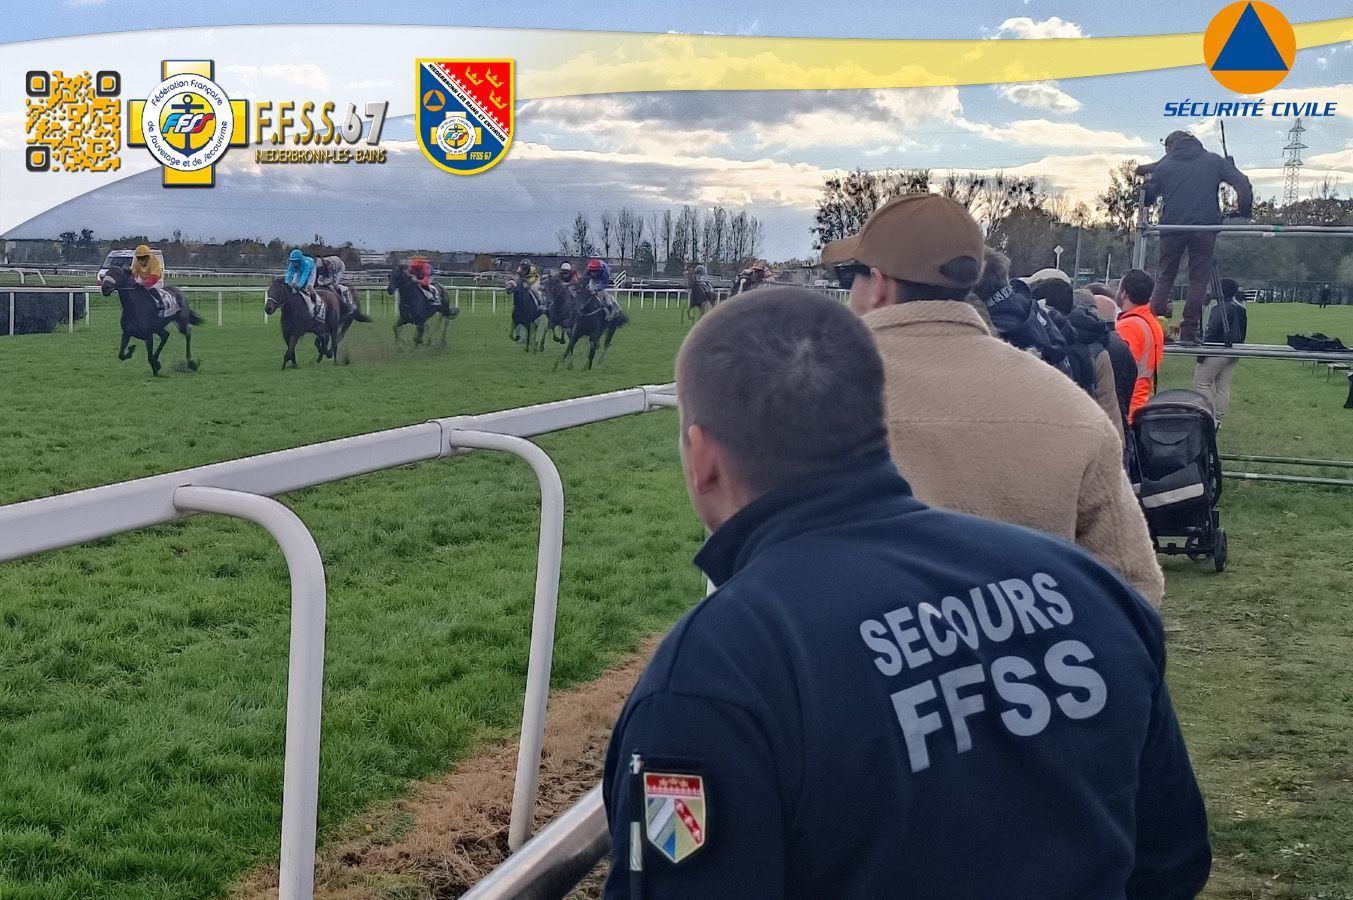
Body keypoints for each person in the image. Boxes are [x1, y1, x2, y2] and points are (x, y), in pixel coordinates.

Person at [602, 287, 1211, 899]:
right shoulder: (1086, 586)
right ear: (874, 422)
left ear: (703, 457)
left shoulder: (717, 670)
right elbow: (1171, 860)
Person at [822, 193, 1163, 606]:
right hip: (1035, 642)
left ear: (877, 285)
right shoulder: (1070, 407)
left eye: (850, 279)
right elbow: (1133, 584)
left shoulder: (806, 398)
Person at [1138, 131, 1253, 344]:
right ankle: (1189, 332)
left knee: (1165, 277)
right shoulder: (1214, 161)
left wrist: (1147, 185)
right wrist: (1244, 211)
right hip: (1204, 227)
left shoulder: (1165, 165)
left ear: (1170, 147)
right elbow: (1242, 183)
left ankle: (1152, 328)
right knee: (1198, 280)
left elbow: (1147, 198)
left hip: (1172, 226)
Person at [1194, 277, 1249, 425]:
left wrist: (1202, 354)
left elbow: (1211, 332)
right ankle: (1218, 417)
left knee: (1201, 383)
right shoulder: (1240, 308)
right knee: (1223, 386)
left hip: (1217, 349)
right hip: (1234, 351)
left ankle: (1209, 416)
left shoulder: (1220, 309)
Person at [1116, 268, 1166, 424]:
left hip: (1127, 408)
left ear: (1124, 293)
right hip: (1143, 403)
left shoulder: (1128, 327)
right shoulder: (1151, 322)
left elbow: (1119, 371)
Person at [129, 244, 172, 312]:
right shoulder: (136, 261)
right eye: (139, 258)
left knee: (151, 288)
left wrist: (144, 285)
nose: (140, 260)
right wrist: (132, 282)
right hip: (142, 279)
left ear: (147, 257)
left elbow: (154, 278)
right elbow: (133, 274)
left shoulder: (153, 260)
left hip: (156, 280)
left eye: (143, 258)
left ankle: (161, 303)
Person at [283, 248, 323, 318]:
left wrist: (299, 286)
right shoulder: (291, 265)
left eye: (295, 261)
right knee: (293, 287)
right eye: (292, 261)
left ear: (299, 260)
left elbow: (304, 276)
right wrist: (287, 284)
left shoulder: (306, 264)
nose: (293, 263)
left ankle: (317, 304)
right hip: (300, 271)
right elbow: (289, 275)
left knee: (309, 287)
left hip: (311, 270)